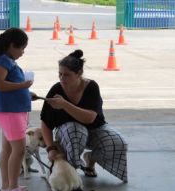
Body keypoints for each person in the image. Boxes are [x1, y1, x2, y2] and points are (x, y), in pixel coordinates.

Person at [40, 49, 128, 183]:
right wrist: (51, 148)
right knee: (74, 130)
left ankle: (90, 160)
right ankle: (71, 172)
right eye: (60, 74)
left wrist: (64, 104)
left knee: (118, 143)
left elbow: (90, 118)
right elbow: (45, 123)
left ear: (79, 73)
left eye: (67, 75)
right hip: (68, 134)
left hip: (94, 129)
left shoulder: (91, 87)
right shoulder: (56, 89)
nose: (62, 78)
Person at [0, 28, 35, 191]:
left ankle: (7, 185)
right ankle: (12, 187)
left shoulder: (7, 61)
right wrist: (23, 87)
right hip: (9, 111)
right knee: (18, 150)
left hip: (13, 110)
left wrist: (27, 94)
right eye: (21, 48)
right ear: (12, 46)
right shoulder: (2, 62)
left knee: (8, 149)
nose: (23, 52)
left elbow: (9, 85)